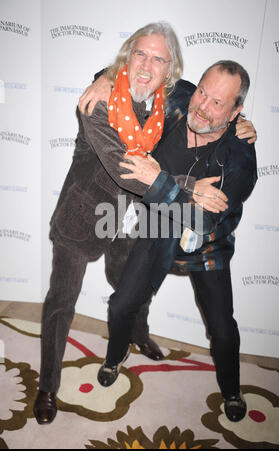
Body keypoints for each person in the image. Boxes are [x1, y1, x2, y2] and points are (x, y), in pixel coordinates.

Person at [33, 21, 256, 425]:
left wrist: (244, 126)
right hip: (84, 217)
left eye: (158, 59)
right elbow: (126, 171)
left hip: (151, 227)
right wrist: (101, 78)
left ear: (168, 72)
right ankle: (47, 385)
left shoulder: (172, 107)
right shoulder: (100, 103)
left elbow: (213, 114)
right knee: (62, 303)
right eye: (140, 54)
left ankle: (144, 339)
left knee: (138, 294)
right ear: (127, 58)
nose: (146, 65)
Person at [96, 60, 258, 424]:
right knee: (121, 303)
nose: (202, 106)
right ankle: (114, 356)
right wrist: (100, 83)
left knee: (221, 325)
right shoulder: (177, 96)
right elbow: (129, 72)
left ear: (236, 111)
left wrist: (159, 181)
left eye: (218, 103)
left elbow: (201, 220)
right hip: (158, 227)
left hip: (207, 240)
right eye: (203, 92)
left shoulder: (241, 159)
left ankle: (231, 389)